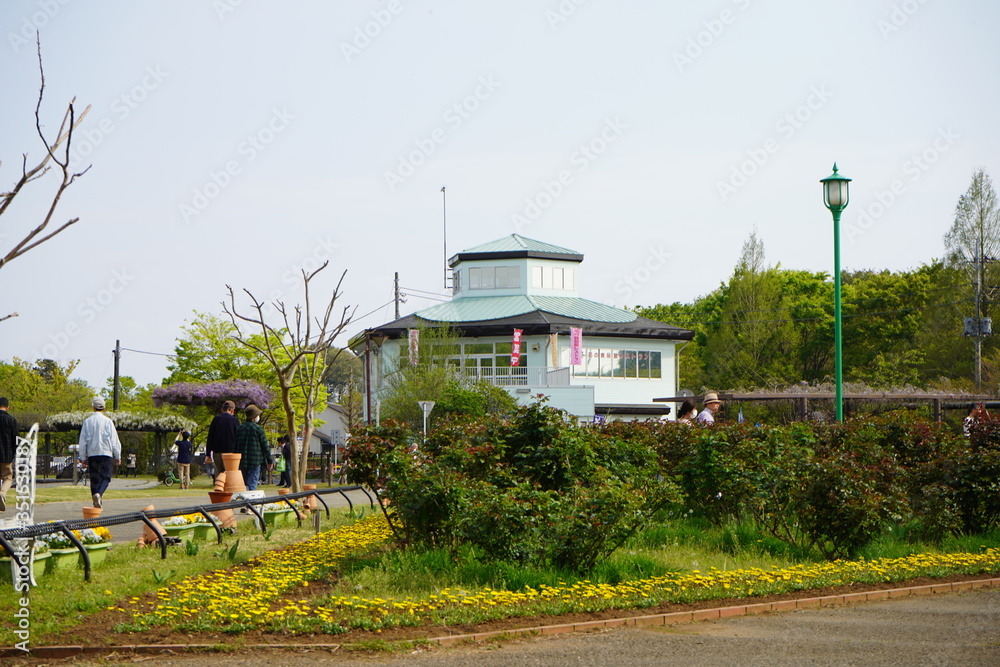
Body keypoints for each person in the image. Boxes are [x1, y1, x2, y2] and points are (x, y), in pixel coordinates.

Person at [78, 397, 122, 508]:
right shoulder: (108, 421)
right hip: (106, 453)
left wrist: (82, 457)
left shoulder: (87, 422)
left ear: (93, 407)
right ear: (104, 407)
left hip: (92, 453)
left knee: (94, 478)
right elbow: (114, 440)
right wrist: (118, 455)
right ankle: (99, 494)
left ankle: (96, 500)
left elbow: (82, 441)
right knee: (106, 477)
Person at [234, 404, 272, 491]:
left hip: (242, 460)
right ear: (254, 416)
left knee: (244, 483)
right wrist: (269, 460)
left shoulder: (239, 428)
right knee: (253, 483)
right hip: (255, 459)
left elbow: (235, 446)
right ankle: (251, 502)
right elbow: (265, 446)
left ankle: (245, 499)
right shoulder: (258, 429)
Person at [206, 400, 239, 480]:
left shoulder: (216, 419)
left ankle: (219, 489)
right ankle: (228, 491)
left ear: (222, 410)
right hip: (230, 452)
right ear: (232, 410)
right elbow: (238, 437)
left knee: (219, 473)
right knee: (229, 474)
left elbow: (210, 436)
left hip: (217, 452)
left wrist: (208, 453)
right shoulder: (235, 421)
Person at [0, 397, 18, 512]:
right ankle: (2, 493)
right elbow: (16, 439)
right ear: (8, 407)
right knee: (8, 478)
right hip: (6, 455)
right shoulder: (11, 420)